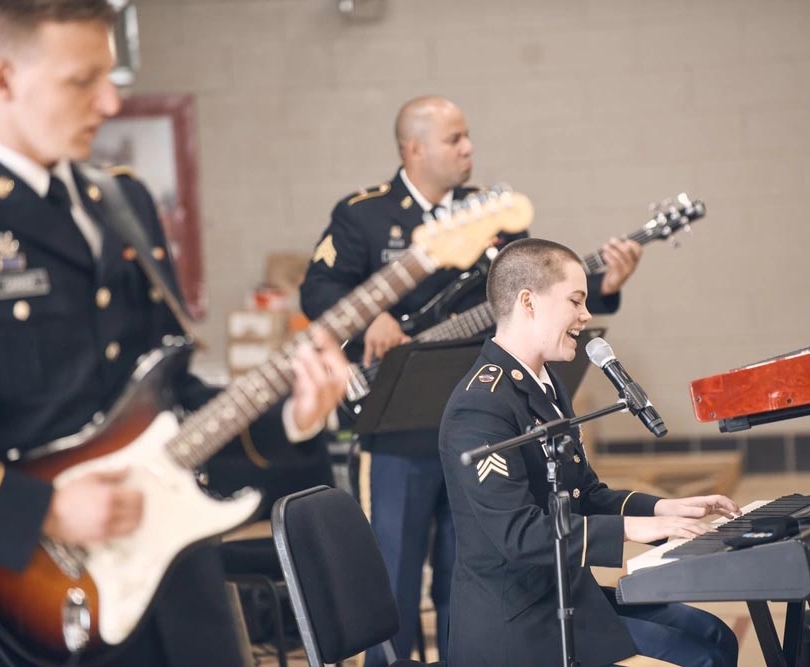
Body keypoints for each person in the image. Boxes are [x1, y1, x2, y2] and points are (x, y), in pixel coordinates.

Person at [0, 2, 350, 665]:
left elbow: (173, 399)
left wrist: (292, 415)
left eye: (110, 77)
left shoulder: (123, 204)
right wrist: (41, 510)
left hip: (182, 586)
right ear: (1, 80)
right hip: (48, 594)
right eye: (82, 81)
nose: (109, 102)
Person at [300, 95, 643, 664]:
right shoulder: (362, 214)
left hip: (486, 421)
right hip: (398, 426)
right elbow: (317, 292)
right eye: (454, 139)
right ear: (414, 149)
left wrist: (602, 287)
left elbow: (534, 287)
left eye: (467, 137)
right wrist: (371, 315)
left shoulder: (490, 214)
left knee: (478, 569)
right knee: (395, 570)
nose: (469, 148)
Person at [439, 238, 740, 667]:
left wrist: (664, 510)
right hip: (518, 617)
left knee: (715, 636)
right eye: (576, 301)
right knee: (699, 657)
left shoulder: (545, 382)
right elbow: (519, 535)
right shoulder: (480, 405)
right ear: (528, 302)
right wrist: (629, 531)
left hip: (565, 593)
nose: (586, 315)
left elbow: (586, 493)